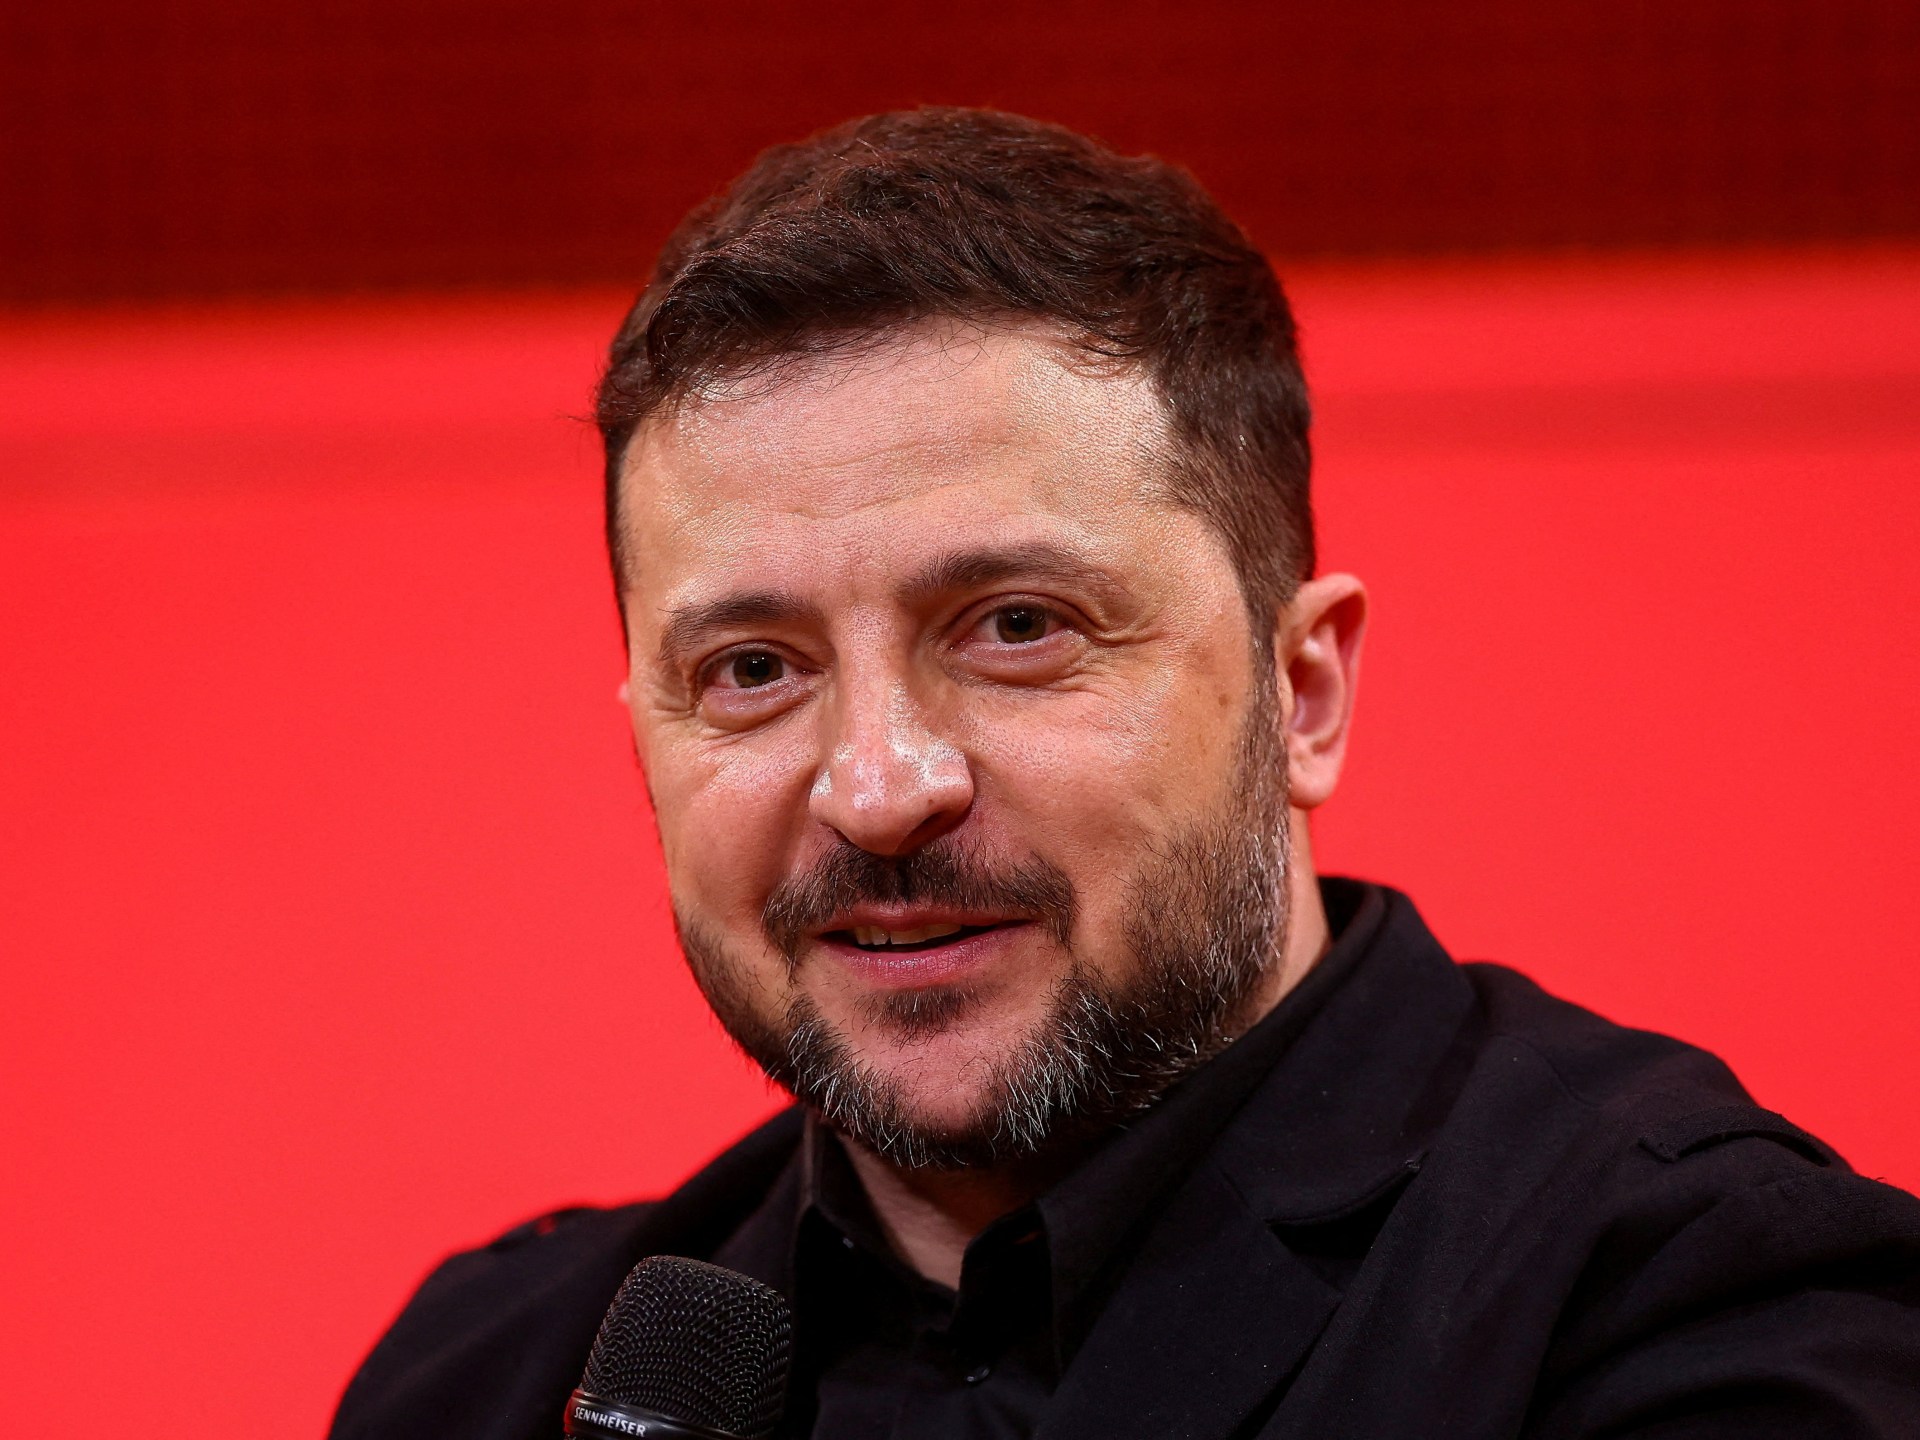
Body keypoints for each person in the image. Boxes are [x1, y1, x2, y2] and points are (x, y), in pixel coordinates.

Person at [330, 109, 1920, 1439]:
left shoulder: (1695, 1310)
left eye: (1017, 627)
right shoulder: (495, 1380)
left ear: (1303, 693)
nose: (878, 789)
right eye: (754, 670)